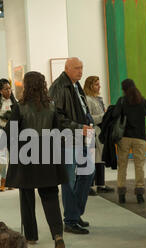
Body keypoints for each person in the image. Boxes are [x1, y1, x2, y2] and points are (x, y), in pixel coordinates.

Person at [4, 71, 67, 248]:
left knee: (27, 198)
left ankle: (31, 236)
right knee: (50, 196)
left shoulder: (20, 107)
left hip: (26, 156)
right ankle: (57, 234)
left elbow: (11, 133)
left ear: (26, 86)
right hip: (47, 155)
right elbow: (58, 132)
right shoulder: (51, 106)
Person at [49, 57, 95, 235]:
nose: (80, 71)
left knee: (88, 173)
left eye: (82, 68)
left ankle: (74, 213)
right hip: (67, 140)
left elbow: (81, 109)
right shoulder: (59, 87)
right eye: (76, 68)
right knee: (69, 180)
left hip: (80, 138)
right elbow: (57, 117)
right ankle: (70, 220)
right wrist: (78, 127)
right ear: (67, 68)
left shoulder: (75, 85)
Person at [113, 79, 146, 204]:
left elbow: (115, 115)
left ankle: (121, 194)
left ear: (124, 89)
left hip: (124, 138)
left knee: (122, 166)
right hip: (139, 138)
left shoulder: (121, 101)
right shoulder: (143, 100)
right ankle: (140, 193)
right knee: (139, 166)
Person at [84, 76, 114, 195]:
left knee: (100, 159)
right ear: (90, 85)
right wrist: (104, 116)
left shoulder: (98, 99)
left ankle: (100, 184)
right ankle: (89, 185)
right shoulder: (87, 99)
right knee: (90, 159)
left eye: (99, 84)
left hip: (100, 132)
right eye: (96, 84)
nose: (99, 86)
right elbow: (89, 117)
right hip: (92, 131)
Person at [0, 78, 18, 192]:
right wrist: (6, 122)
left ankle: (11, 181)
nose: (9, 91)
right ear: (0, 91)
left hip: (14, 133)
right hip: (1, 133)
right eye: (6, 89)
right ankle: (3, 181)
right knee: (2, 158)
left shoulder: (15, 101)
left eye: (9, 88)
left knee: (13, 157)